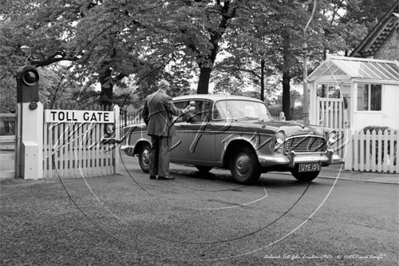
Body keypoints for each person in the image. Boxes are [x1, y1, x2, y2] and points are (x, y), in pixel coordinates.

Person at [142, 79, 191, 180]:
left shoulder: (149, 97)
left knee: (154, 150)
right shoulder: (166, 97)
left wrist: (150, 124)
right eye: (168, 87)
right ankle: (163, 174)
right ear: (166, 87)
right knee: (164, 150)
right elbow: (175, 111)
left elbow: (144, 115)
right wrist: (185, 111)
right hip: (164, 128)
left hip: (153, 128)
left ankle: (152, 173)